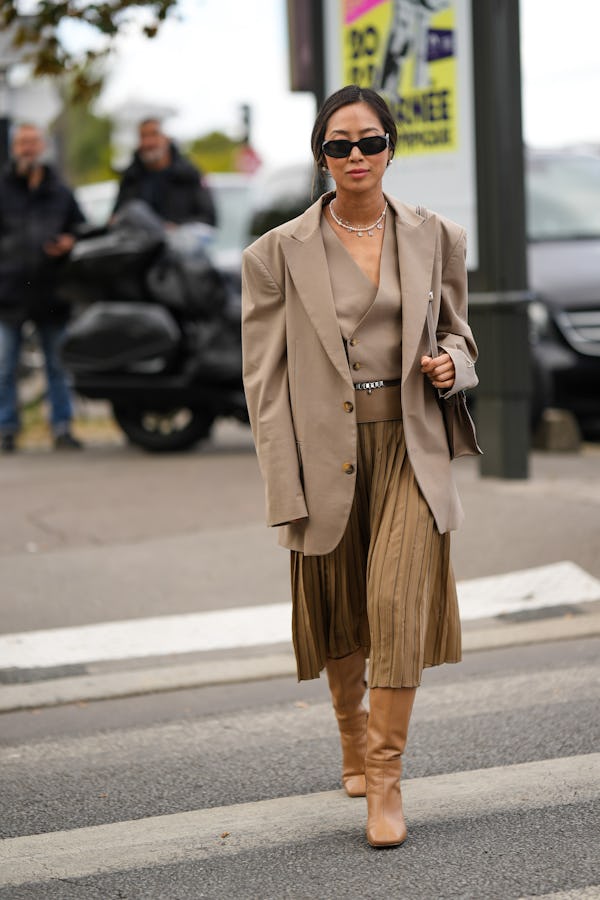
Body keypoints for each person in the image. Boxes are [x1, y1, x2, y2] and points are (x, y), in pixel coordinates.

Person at [241, 85, 480, 848]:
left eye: (369, 142)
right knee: (342, 611)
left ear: (390, 148)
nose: (356, 157)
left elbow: (459, 332)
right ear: (321, 154)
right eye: (340, 144)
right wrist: (285, 484)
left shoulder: (436, 235)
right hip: (322, 454)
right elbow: (264, 381)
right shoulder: (276, 254)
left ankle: (385, 779)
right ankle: (349, 732)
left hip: (411, 443)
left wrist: (452, 364)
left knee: (396, 607)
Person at [0, 123, 86, 452]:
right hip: (8, 292)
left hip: (51, 292)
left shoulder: (60, 192)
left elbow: (80, 228)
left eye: (33, 142)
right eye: (22, 143)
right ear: (13, 148)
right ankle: (6, 428)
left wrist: (70, 242)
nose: (27, 149)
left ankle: (62, 427)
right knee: (5, 366)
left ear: (43, 147)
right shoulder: (3, 189)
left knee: (58, 365)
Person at [112, 118, 217, 227]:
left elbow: (208, 219)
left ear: (167, 139)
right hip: (138, 241)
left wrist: (176, 227)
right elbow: (115, 217)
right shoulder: (130, 178)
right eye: (143, 136)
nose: (149, 143)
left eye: (154, 135)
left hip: (179, 240)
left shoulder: (189, 175)